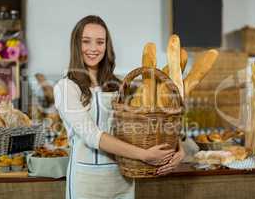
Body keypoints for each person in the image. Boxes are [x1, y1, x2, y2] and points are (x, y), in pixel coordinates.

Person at [54, 15, 185, 199]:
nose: (93, 48)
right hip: (86, 183)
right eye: (86, 41)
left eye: (100, 42)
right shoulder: (66, 87)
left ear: (106, 47)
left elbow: (147, 124)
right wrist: (144, 155)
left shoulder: (119, 86)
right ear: (76, 45)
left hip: (123, 181)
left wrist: (178, 150)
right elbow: (92, 136)